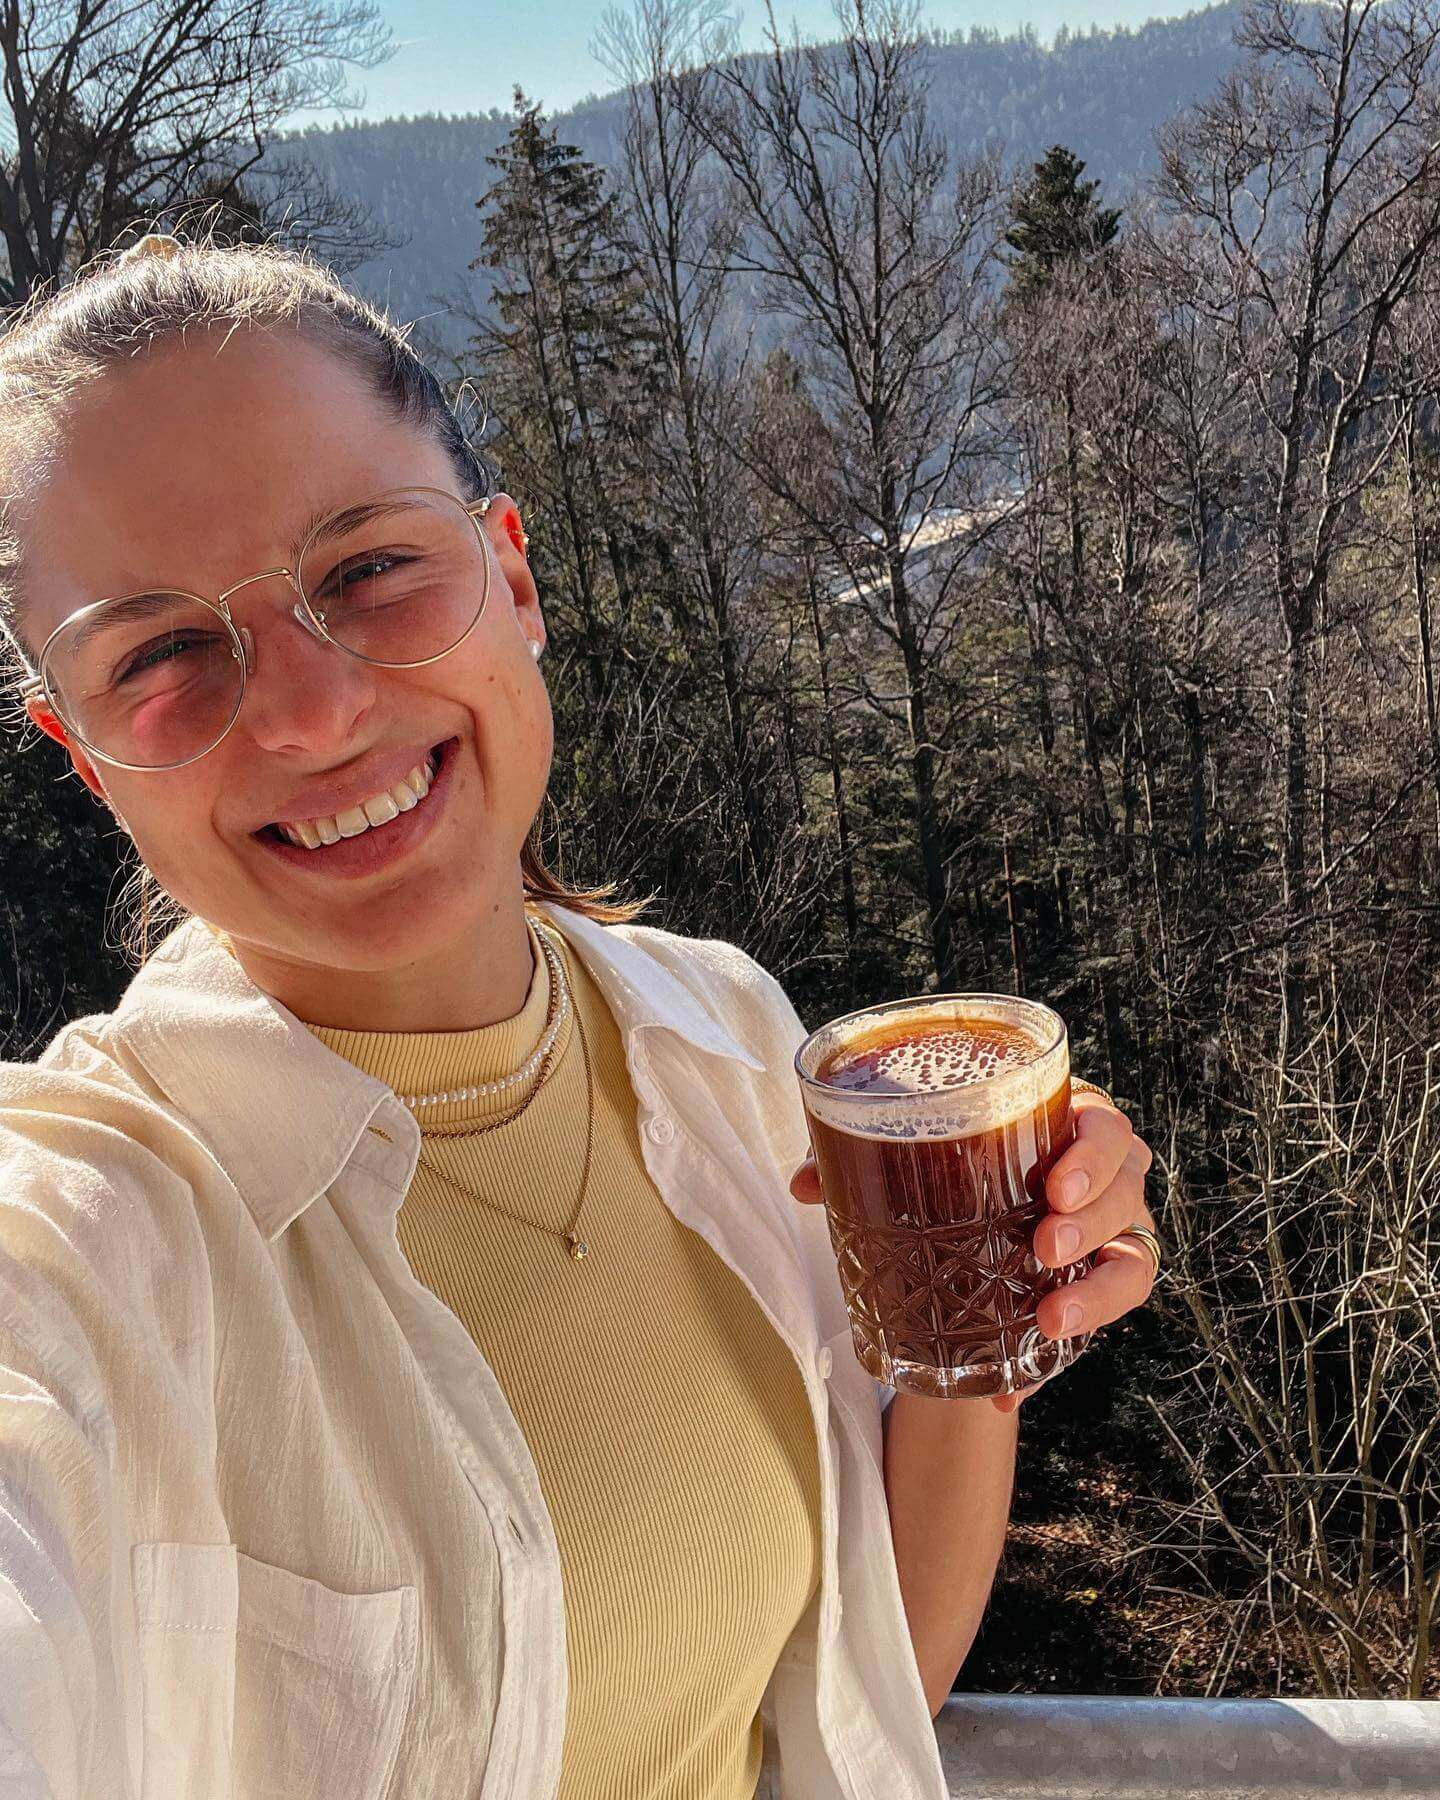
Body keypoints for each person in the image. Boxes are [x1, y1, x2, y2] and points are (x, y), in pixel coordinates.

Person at [0, 229, 1161, 1800]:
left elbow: (858, 1687)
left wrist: (981, 1318)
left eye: (366, 568)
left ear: (514, 576)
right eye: (164, 655)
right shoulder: (82, 1237)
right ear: (88, 758)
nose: (310, 708)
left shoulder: (730, 1040)